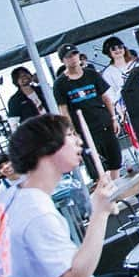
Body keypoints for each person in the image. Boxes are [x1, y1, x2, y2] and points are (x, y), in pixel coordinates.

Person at [0, 114, 118, 277]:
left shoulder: (13, 197)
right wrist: (100, 212)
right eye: (71, 135)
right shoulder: (36, 213)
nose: (79, 141)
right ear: (47, 149)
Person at [52, 44, 121, 181]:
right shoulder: (60, 84)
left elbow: (106, 97)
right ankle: (107, 191)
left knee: (115, 160)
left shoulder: (91, 74)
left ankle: (117, 187)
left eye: (74, 54)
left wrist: (114, 118)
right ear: (63, 61)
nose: (73, 58)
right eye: (68, 57)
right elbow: (63, 110)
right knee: (96, 166)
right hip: (83, 129)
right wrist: (72, 131)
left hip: (104, 122)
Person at [99, 37, 139, 121]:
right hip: (128, 109)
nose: (118, 50)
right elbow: (112, 97)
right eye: (113, 48)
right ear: (109, 52)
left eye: (120, 47)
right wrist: (121, 114)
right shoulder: (107, 73)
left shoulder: (136, 64)